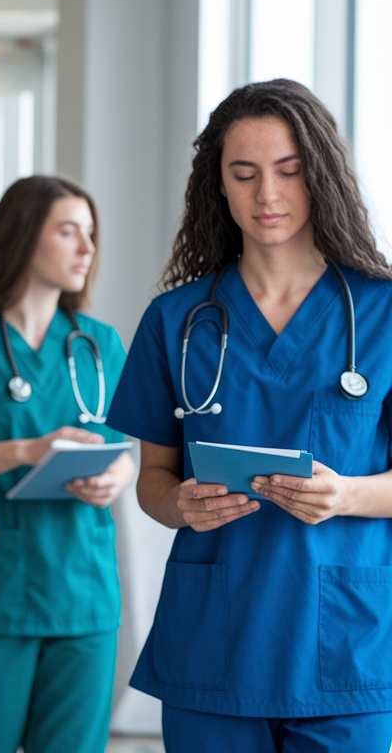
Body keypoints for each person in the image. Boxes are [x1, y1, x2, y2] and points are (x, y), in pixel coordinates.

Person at [107, 78, 392, 750]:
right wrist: (181, 506)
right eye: (245, 173)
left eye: (289, 172)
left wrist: (347, 493)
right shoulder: (176, 320)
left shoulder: (381, 311)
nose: (268, 195)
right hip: (216, 647)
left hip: (347, 652)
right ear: (220, 186)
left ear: (320, 176)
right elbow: (153, 480)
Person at [0, 176, 135, 753]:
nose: (86, 249)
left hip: (84, 592)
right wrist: (27, 451)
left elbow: (123, 452)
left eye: (90, 234)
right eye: (68, 232)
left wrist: (117, 477)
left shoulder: (101, 344)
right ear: (22, 238)